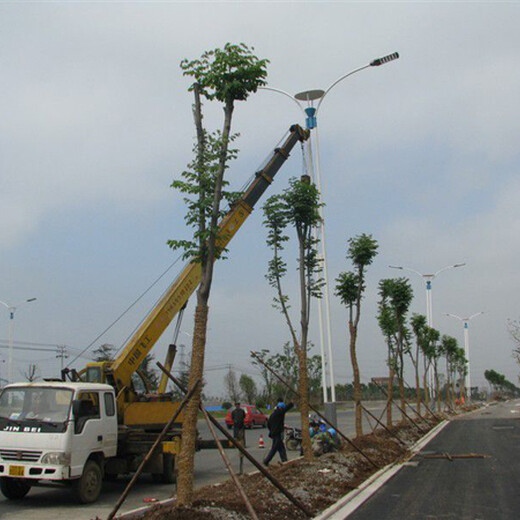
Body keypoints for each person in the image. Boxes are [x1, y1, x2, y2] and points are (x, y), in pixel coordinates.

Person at [263, 397, 294, 466]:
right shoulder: (279, 413)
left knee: (281, 448)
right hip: (277, 434)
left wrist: (272, 430)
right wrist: (291, 403)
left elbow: (268, 424)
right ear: (280, 408)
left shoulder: (273, 414)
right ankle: (266, 461)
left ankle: (285, 460)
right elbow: (286, 409)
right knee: (274, 448)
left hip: (274, 433)